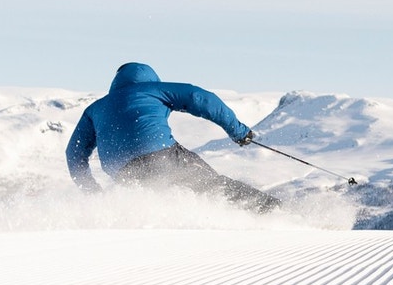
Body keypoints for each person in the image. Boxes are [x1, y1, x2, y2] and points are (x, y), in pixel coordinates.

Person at [65, 62, 279, 211]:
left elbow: (74, 153)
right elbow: (200, 98)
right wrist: (239, 132)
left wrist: (93, 193)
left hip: (121, 170)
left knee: (156, 200)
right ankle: (273, 210)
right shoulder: (152, 89)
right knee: (214, 186)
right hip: (159, 153)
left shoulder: (95, 108)